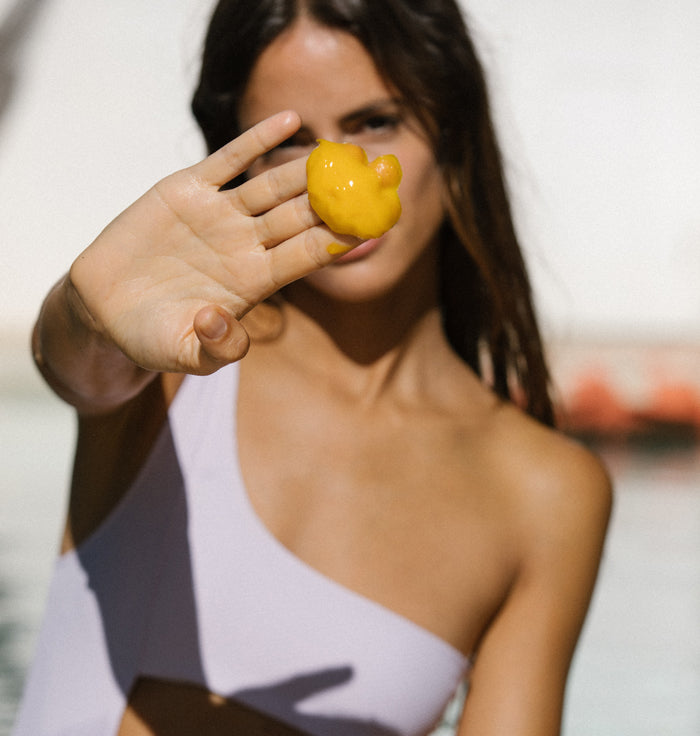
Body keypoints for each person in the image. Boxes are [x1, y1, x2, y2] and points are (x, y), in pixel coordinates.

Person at [15, 1, 612, 734]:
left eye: (375, 122)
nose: (335, 172)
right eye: (292, 140)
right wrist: (86, 312)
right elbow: (77, 364)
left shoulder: (547, 494)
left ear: (452, 133)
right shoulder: (180, 352)